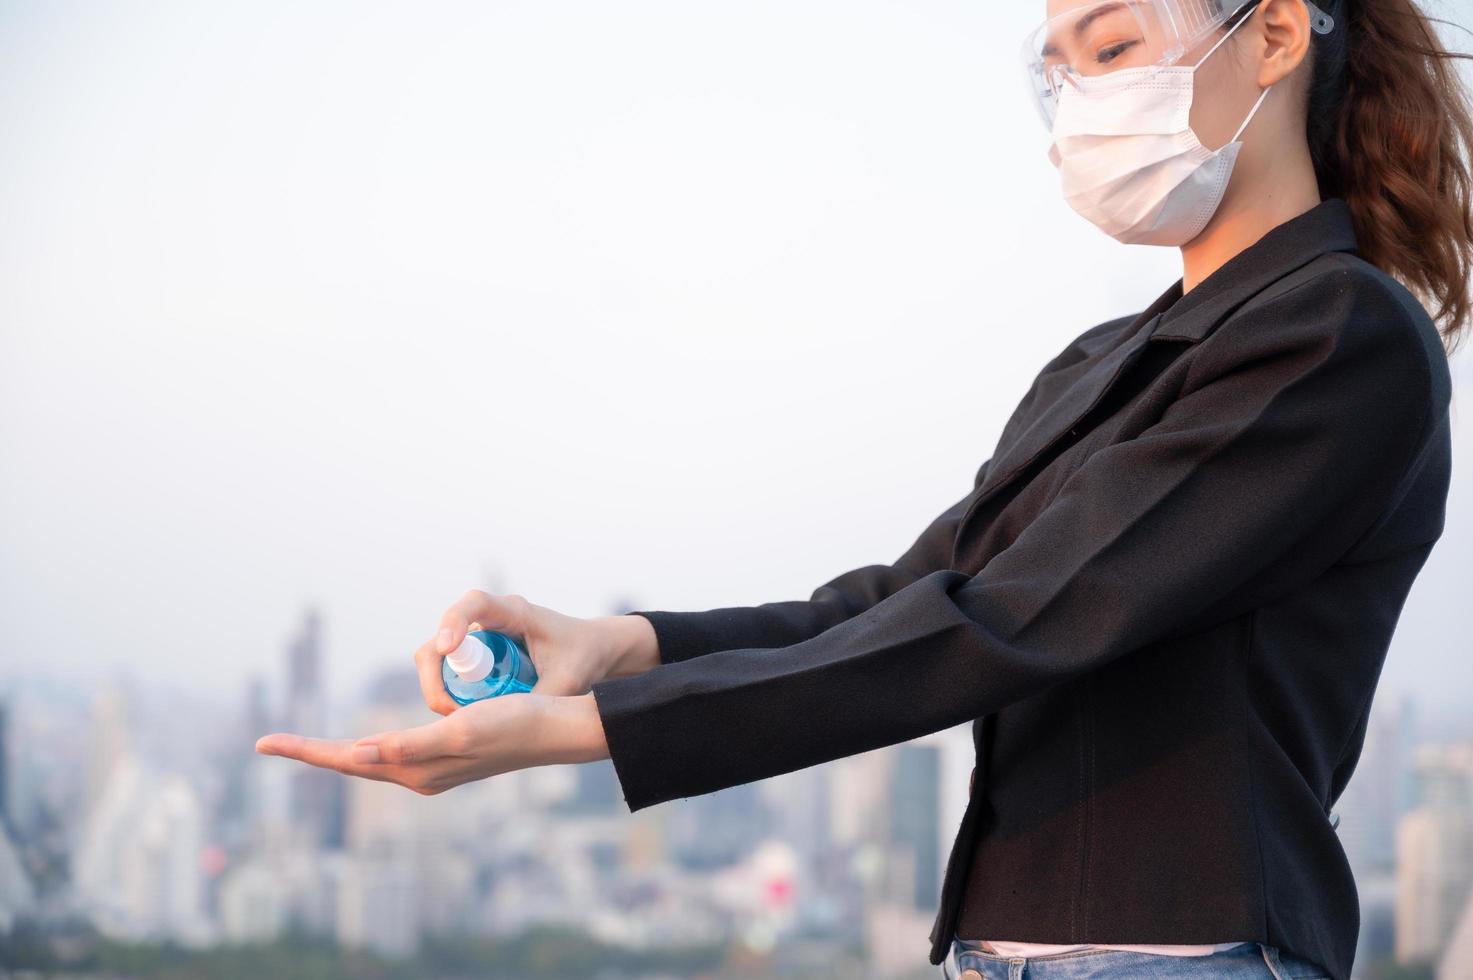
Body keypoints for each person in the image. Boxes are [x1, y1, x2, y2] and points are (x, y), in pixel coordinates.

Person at [256, 0, 1471, 977]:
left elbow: (1017, 619)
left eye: (1111, 46)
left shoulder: (1339, 339)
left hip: (1187, 948)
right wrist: (623, 649)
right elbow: (908, 596)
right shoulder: (1100, 362)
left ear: (1272, 32)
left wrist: (589, 736)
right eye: (1059, 71)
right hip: (1003, 948)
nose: (1084, 102)